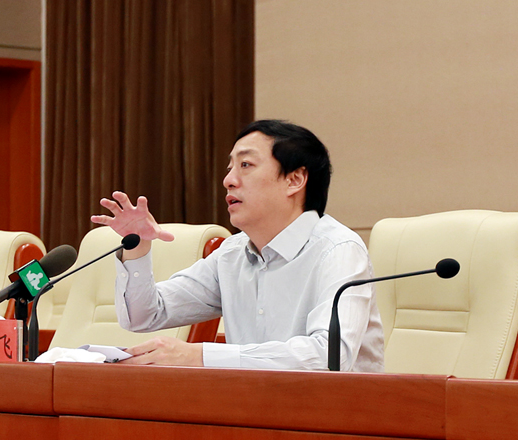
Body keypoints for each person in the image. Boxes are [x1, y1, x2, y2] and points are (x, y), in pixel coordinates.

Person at [90, 120, 384, 371]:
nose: (228, 180)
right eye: (230, 167)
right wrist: (138, 247)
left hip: (331, 414)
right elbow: (144, 315)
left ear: (294, 180)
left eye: (246, 165)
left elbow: (329, 357)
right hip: (247, 408)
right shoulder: (232, 254)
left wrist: (201, 356)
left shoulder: (338, 250)